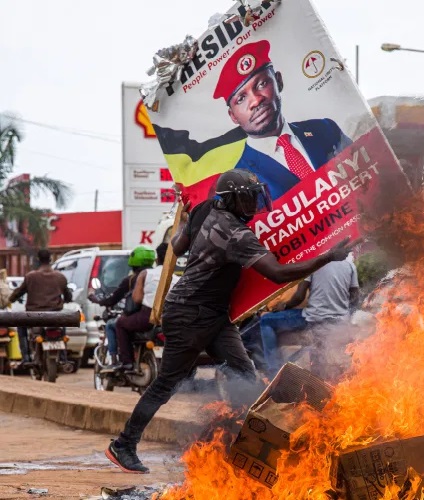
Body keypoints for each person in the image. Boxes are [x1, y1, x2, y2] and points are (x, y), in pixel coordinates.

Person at [105, 168, 354, 474]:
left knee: (246, 374)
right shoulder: (236, 234)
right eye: (248, 200)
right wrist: (327, 256)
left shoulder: (204, 208)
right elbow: (278, 273)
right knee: (166, 384)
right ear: (231, 200)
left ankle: (242, 445)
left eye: (255, 198)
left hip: (214, 316)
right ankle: (124, 444)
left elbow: (178, 246)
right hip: (188, 314)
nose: (253, 206)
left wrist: (185, 221)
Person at [155, 39, 352, 204]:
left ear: (279, 81)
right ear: (232, 116)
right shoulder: (238, 181)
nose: (256, 100)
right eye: (241, 99)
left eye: (262, 83)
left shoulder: (325, 130)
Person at [260, 258, 360, 379]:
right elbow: (355, 296)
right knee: (317, 343)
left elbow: (299, 297)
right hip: (340, 319)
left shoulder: (313, 264)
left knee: (266, 321)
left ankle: (274, 373)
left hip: (314, 317)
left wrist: (284, 306)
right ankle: (319, 379)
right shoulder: (350, 266)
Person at [111, 244, 180, 371]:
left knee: (120, 323)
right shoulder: (177, 278)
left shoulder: (146, 274)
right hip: (170, 319)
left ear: (156, 258)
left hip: (147, 317)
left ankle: (127, 362)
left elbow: (136, 298)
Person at [89, 248, 154, 369]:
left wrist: (97, 300)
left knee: (114, 324)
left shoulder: (131, 280)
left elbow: (113, 299)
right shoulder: (156, 276)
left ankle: (122, 361)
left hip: (140, 317)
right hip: (157, 317)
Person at [9, 250, 72, 364]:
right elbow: (68, 295)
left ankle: (26, 358)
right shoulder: (60, 277)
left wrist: (11, 298)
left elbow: (19, 292)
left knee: (20, 325)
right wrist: (67, 300)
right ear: (50, 259)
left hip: (34, 315)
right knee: (62, 327)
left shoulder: (30, 277)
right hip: (55, 314)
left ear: (38, 260)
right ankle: (63, 357)